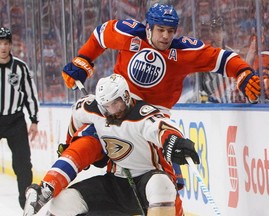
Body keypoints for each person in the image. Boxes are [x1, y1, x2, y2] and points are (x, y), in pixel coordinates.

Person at [23, 74, 200, 216]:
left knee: (162, 184)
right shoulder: (96, 110)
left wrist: (174, 142)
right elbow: (77, 113)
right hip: (115, 184)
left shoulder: (142, 115)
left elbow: (162, 128)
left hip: (146, 180)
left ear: (126, 96)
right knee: (62, 202)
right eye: (106, 105)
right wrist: (69, 142)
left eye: (115, 103)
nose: (111, 110)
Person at [61, 3, 269, 111]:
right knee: (87, 136)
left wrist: (243, 72)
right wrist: (83, 59)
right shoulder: (128, 33)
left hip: (156, 117)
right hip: (118, 108)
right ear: (148, 28)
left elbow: (224, 59)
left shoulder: (183, 52)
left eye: (170, 31)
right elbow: (100, 36)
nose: (166, 36)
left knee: (167, 180)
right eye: (160, 30)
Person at [0, 27, 39, 209]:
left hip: (15, 120)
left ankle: (27, 206)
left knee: (23, 165)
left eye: (6, 43)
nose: (3, 47)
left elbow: (30, 95)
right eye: (0, 44)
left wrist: (34, 120)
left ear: (10, 45)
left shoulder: (20, 68)